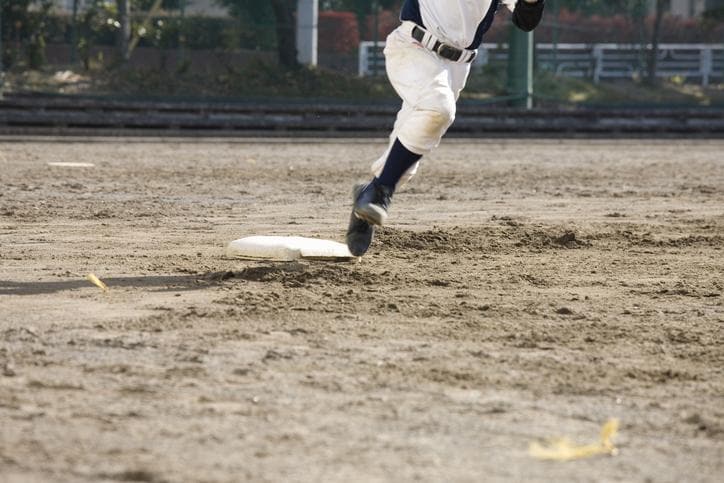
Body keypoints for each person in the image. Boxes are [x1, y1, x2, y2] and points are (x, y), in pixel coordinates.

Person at [345, 0, 545, 256]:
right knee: (438, 109)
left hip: (457, 67)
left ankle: (368, 198)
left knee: (411, 149)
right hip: (415, 47)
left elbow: (526, 21)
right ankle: (379, 192)